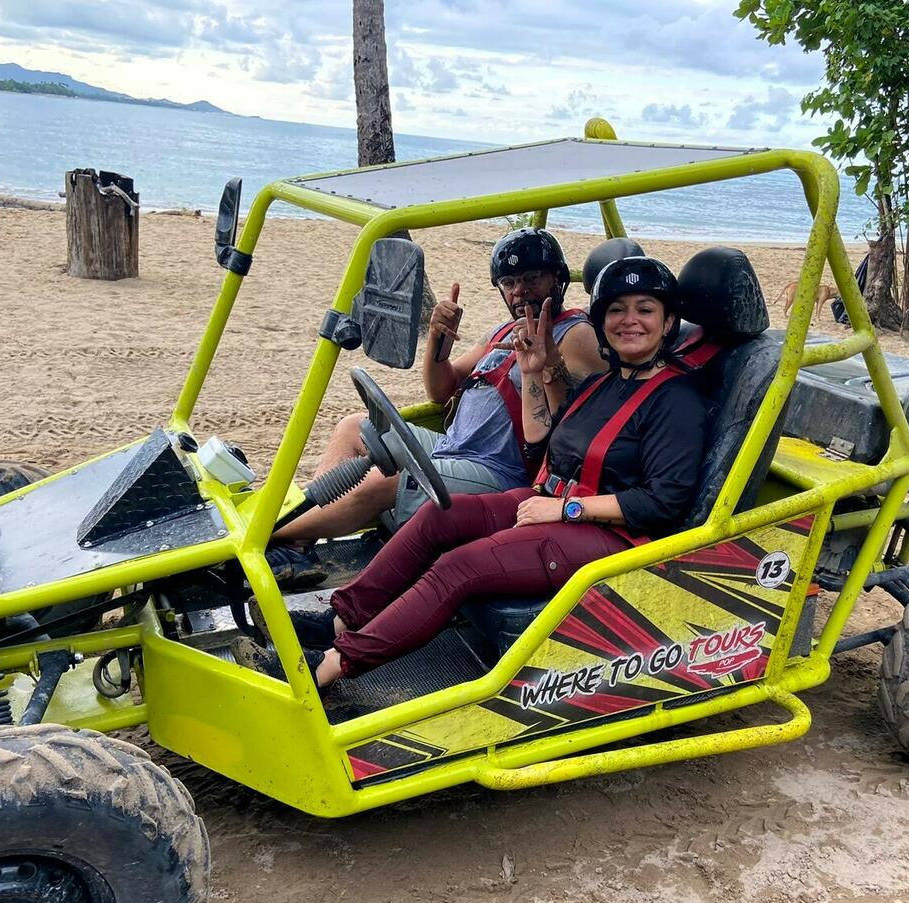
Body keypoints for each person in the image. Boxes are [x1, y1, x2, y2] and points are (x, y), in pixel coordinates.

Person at [270, 256, 710, 687]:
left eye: (645, 310)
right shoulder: (605, 383)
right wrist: (533, 374)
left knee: (461, 565)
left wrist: (565, 511)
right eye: (617, 310)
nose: (629, 321)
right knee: (440, 516)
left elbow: (662, 502)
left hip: (611, 534)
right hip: (555, 500)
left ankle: (332, 665)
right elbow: (541, 445)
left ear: (669, 323)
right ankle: (341, 620)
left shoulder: (676, 400)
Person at [266, 228, 608, 584]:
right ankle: (301, 539)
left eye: (531, 278)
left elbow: (588, 412)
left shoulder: (575, 333)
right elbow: (441, 391)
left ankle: (271, 533)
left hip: (499, 472)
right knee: (353, 427)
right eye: (509, 281)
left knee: (381, 481)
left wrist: (549, 364)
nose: (519, 290)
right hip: (451, 449)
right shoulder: (502, 332)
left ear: (558, 279)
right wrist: (438, 340)